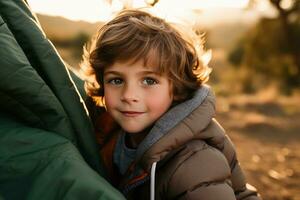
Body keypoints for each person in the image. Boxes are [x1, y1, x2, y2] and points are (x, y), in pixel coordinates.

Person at [80, 9, 261, 200]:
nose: (129, 96)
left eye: (149, 81)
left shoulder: (195, 165)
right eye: (116, 80)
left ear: (176, 88)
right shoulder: (105, 132)